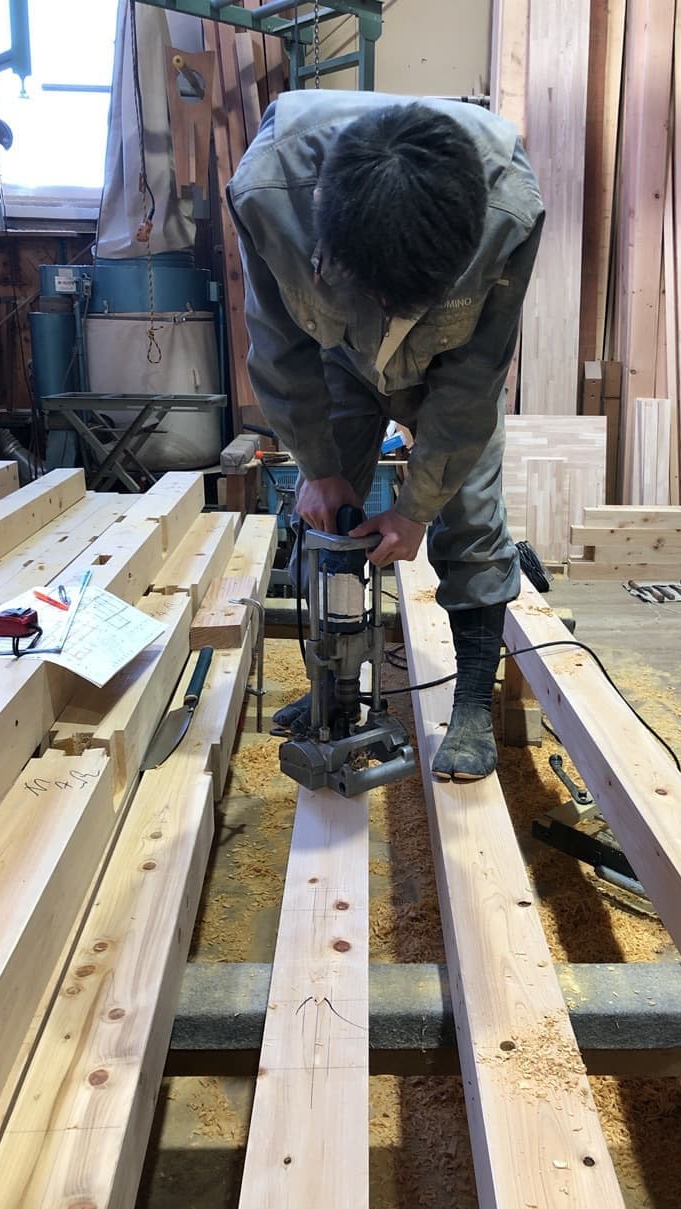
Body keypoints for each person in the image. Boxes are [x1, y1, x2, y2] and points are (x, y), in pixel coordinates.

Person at [227, 91, 544, 782]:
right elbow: (278, 345)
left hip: (447, 369)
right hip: (339, 357)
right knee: (329, 524)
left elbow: (474, 379)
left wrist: (417, 509)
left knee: (472, 516)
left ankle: (469, 705)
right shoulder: (268, 194)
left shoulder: (509, 210)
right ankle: (334, 692)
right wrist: (317, 467)